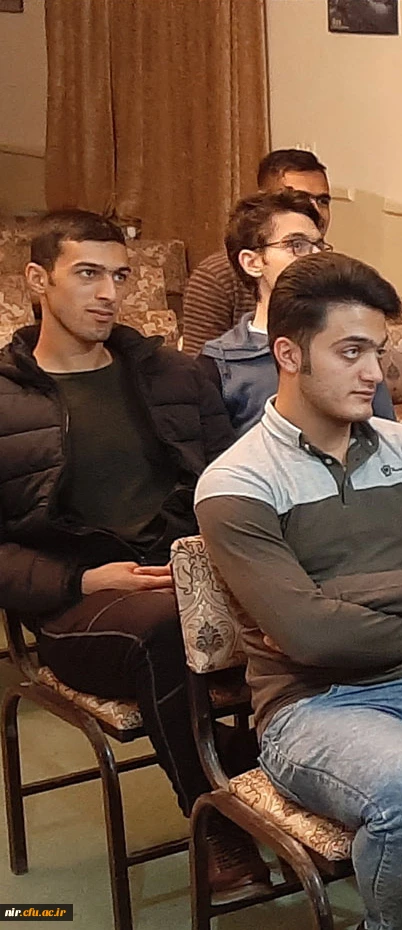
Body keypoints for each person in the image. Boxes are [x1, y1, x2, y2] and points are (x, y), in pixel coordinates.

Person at [195, 252, 402, 930]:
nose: (375, 373)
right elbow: (311, 638)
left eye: (378, 352)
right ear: (289, 353)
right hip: (316, 705)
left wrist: (336, 592)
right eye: (351, 352)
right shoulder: (237, 482)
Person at [0, 210, 271, 898]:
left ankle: (262, 757)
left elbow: (230, 483)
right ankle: (215, 817)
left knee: (323, 598)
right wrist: (83, 578)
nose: (108, 293)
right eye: (87, 274)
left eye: (120, 277)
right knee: (163, 632)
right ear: (37, 280)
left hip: (191, 574)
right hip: (77, 602)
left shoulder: (173, 374)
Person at [201, 189, 394, 435]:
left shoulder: (354, 339)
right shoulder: (220, 364)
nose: (315, 256)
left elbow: (387, 434)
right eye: (297, 245)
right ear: (252, 262)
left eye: (319, 245)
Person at [181, 148, 333, 349]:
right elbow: (200, 363)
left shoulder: (336, 272)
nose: (316, 211)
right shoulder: (215, 277)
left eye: (323, 201)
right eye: (299, 198)